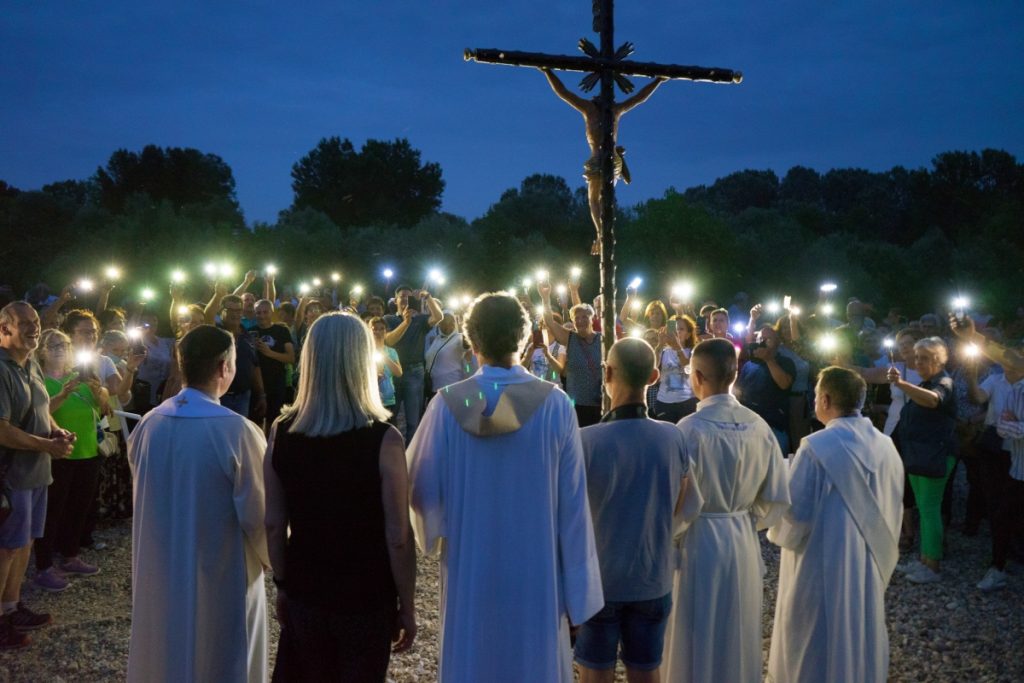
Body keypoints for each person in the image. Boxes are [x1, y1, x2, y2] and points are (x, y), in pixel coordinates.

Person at [408, 291, 603, 683]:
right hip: (537, 574)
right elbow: (574, 507)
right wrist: (579, 596)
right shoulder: (556, 406)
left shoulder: (446, 406)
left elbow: (419, 492)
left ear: (472, 341)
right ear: (524, 337)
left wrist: (440, 526)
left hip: (471, 567)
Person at [265, 313, 416, 681]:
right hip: (366, 593)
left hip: (306, 586)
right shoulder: (384, 439)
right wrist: (408, 604)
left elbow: (273, 523)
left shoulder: (282, 432)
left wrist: (282, 585)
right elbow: (398, 535)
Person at [127, 324, 269, 682]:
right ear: (225, 367)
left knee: (166, 651)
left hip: (159, 566)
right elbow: (258, 515)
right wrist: (277, 560)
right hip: (219, 574)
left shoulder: (149, 423)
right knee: (219, 655)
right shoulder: (236, 430)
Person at [662, 338, 789, 683]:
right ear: (733, 375)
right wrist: (748, 518)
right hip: (742, 537)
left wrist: (671, 534)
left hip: (698, 541)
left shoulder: (688, 430)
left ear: (698, 376)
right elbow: (777, 495)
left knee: (696, 628)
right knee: (737, 624)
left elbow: (673, 500)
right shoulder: (759, 427)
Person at [767, 367, 904, 683]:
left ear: (825, 399)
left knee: (815, 635)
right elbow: (893, 502)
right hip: (869, 559)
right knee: (859, 626)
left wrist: (782, 489)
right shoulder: (886, 445)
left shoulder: (816, 447)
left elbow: (796, 516)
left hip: (821, 563)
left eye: (816, 396)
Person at [577, 337, 688, 683]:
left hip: (600, 580)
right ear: (655, 376)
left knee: (595, 673)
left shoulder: (586, 440)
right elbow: (682, 503)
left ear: (607, 373)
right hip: (652, 576)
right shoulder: (674, 438)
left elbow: (570, 513)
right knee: (647, 671)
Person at [0, 302, 76, 649]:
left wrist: (56, 432)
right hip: (10, 475)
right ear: (5, 329)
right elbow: (1, 430)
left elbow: (42, 410)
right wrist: (46, 446)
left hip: (36, 473)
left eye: (36, 323)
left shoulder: (29, 362)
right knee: (6, 548)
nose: (35, 329)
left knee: (25, 543)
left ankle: (11, 606)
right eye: (25, 324)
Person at [539, 67, 665, 253]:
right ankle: (605, 232)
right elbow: (639, 98)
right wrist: (658, 81)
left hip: (598, 158)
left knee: (594, 200)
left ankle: (601, 234)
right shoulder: (616, 109)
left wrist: (547, 72)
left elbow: (563, 93)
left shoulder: (589, 109)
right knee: (605, 199)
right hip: (614, 161)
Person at [33, 329, 109, 591]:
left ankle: (71, 555)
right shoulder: (39, 380)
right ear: (42, 350)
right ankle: (43, 564)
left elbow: (102, 411)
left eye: (64, 345)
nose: (59, 349)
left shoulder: (83, 376)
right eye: (53, 345)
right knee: (52, 511)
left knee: (79, 507)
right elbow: (41, 413)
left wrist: (101, 394)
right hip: (59, 453)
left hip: (88, 451)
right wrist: (64, 395)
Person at [888, 337, 957, 583]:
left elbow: (933, 400)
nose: (918, 362)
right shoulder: (927, 382)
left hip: (935, 456)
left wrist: (902, 383)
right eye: (916, 357)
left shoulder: (944, 382)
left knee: (929, 511)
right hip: (919, 456)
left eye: (924, 358)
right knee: (925, 508)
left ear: (938, 359)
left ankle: (933, 565)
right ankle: (925, 559)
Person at [382, 286, 443, 441]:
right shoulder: (389, 319)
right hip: (393, 372)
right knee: (389, 418)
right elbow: (388, 340)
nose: (405, 300)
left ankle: (411, 457)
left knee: (413, 421)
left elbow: (438, 317)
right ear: (395, 300)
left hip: (414, 372)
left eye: (409, 297)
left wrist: (428, 297)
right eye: (402, 296)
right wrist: (406, 322)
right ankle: (390, 452)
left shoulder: (421, 320)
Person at [539, 282, 604, 427]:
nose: (580, 321)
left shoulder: (602, 339)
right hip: (575, 405)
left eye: (584, 317)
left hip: (598, 404)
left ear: (592, 319)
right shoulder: (570, 338)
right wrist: (545, 297)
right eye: (576, 318)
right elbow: (549, 320)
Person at [735, 323, 796, 453]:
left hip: (773, 427)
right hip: (749, 426)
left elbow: (784, 384)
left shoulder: (785, 362)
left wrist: (769, 360)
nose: (762, 342)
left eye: (767, 339)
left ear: (777, 343)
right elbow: (738, 392)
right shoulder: (749, 364)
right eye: (759, 339)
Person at [252, 299, 295, 432]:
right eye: (258, 312)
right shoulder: (250, 332)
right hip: (256, 384)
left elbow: (291, 358)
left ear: (272, 312)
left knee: (274, 421)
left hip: (276, 382)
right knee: (255, 421)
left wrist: (269, 353)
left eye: (265, 312)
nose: (262, 315)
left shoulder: (281, 331)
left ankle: (271, 450)